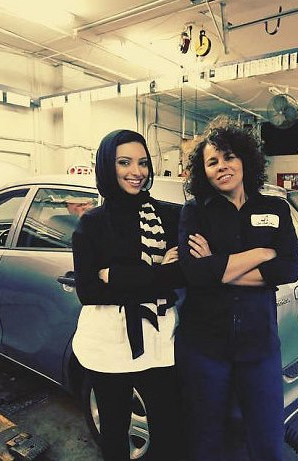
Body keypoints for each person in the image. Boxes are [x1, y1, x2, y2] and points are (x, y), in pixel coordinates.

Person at [176, 116, 298, 461]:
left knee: (268, 441)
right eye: (212, 162)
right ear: (203, 172)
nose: (222, 166)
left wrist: (217, 265)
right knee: (205, 440)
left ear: (245, 160)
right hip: (204, 348)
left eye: (229, 157)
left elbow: (287, 268)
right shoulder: (195, 212)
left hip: (259, 346)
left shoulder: (275, 208)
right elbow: (194, 273)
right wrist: (261, 253)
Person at [71, 129, 192, 461]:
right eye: (124, 162)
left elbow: (181, 275)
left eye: (142, 163)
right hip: (107, 342)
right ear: (107, 166)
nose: (136, 172)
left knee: (171, 429)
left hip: (159, 337)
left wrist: (116, 275)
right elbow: (88, 292)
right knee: (113, 430)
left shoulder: (168, 215)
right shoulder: (92, 224)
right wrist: (157, 273)